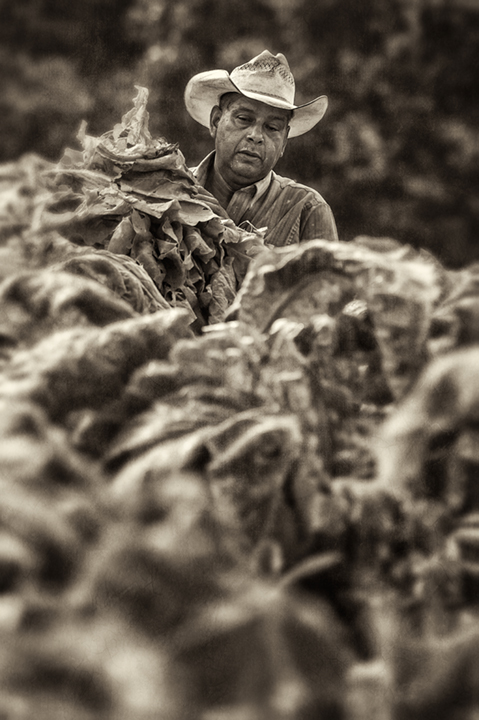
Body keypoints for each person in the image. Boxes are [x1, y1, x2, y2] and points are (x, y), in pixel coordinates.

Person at [184, 50, 339, 247]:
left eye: (272, 127)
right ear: (216, 121)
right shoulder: (173, 190)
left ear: (284, 142)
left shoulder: (308, 209)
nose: (256, 136)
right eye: (244, 119)